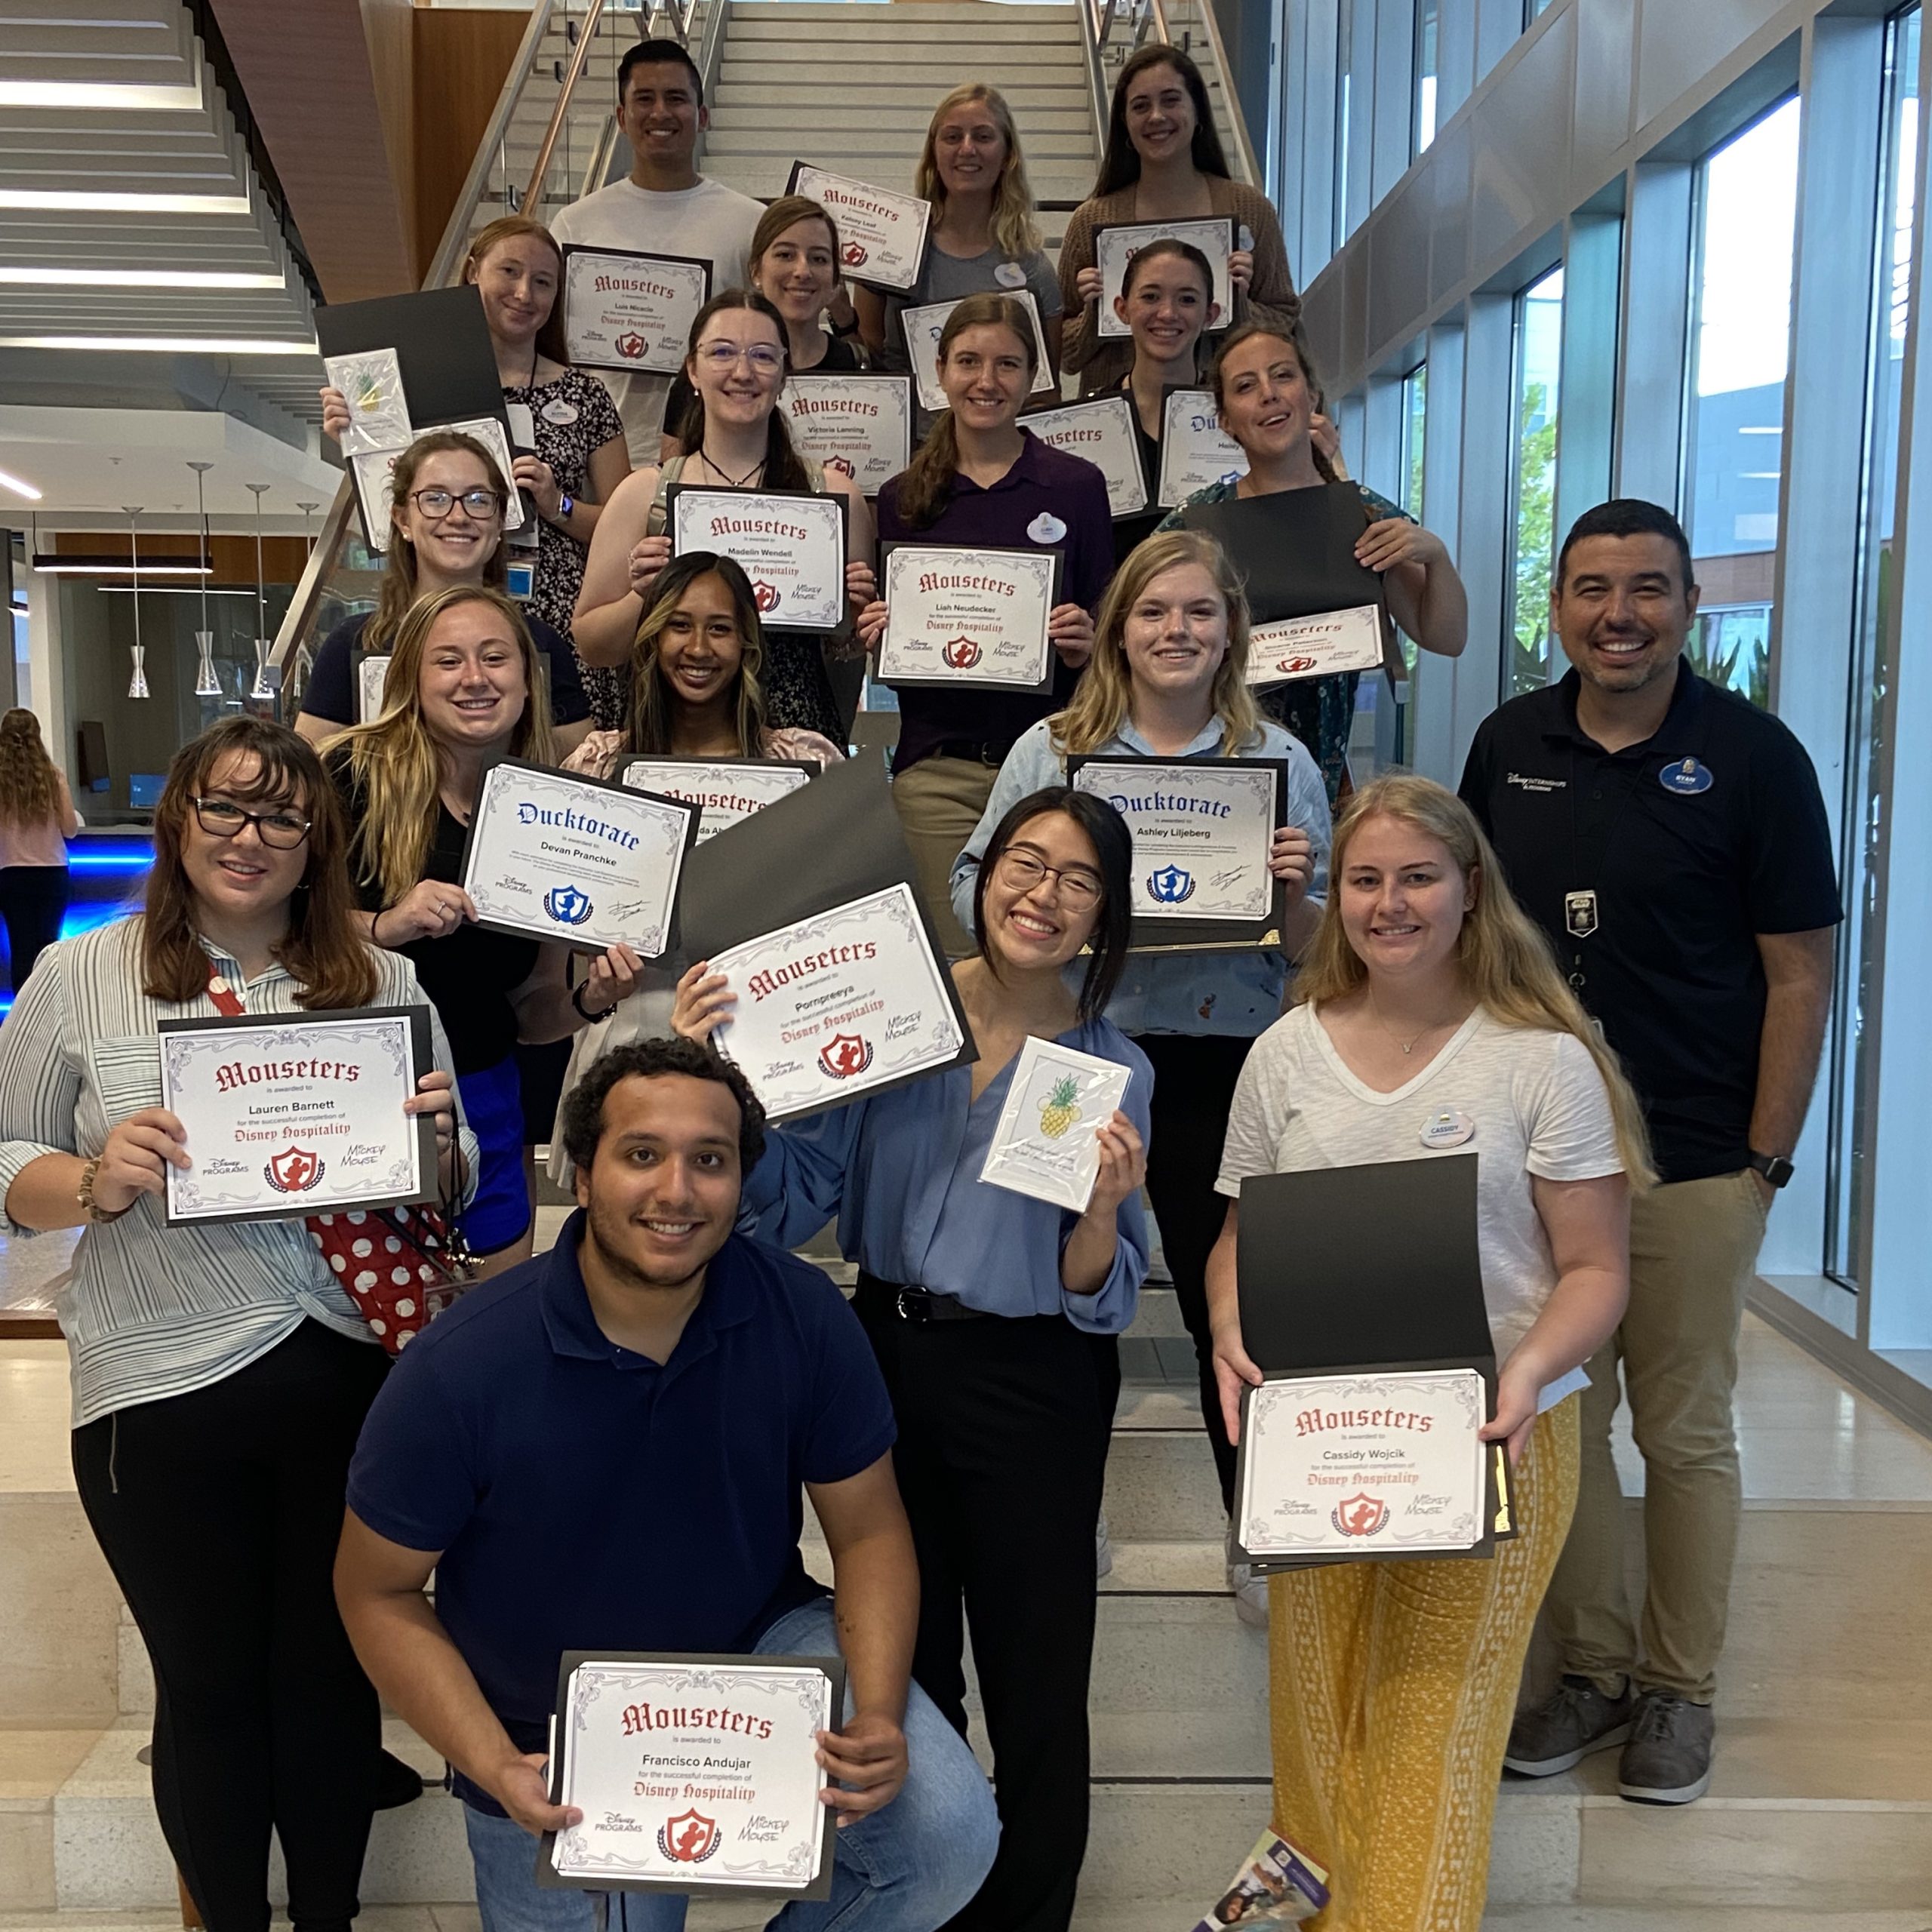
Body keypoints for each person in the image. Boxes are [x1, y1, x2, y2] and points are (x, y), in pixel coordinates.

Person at [334, 1035, 1001, 1932]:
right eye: (641, 1154)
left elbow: (871, 1530)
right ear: (578, 1170)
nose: (676, 1190)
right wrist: (490, 1761)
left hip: (751, 1648)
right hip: (544, 1721)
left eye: (710, 1160)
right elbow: (374, 1588)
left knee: (946, 1836)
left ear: (740, 1182)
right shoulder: (462, 1365)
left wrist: (876, 1713)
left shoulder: (800, 1312)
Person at [0, 715, 473, 1932]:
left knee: (326, 1682)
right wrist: (93, 1176)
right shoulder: (79, 975)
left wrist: (434, 1148)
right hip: (154, 1389)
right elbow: (2, 1154)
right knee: (208, 1689)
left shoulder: (384, 983)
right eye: (225, 808)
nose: (251, 838)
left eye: (283, 816)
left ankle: (328, 1921)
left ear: (319, 844)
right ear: (180, 822)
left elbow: (456, 1162)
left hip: (350, 1378)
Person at [674, 786, 1152, 1932]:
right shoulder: (896, 1015)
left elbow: (1103, 1289)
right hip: (882, 1357)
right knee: (910, 1665)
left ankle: (1027, 1913)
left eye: (1078, 880)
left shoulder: (1112, 1065)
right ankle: (922, 1896)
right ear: (982, 873)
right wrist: (725, 1076)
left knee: (1040, 1681)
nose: (1044, 895)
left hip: (1035, 1378)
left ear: (1105, 916)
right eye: (1026, 865)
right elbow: (792, 1202)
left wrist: (1097, 1212)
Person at [1207, 773, 1649, 1932]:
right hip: (1322, 1438)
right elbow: (1241, 1238)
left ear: (1469, 892)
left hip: (1494, 1435)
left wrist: (1524, 1369)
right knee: (1316, 1727)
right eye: (1365, 880)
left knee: (1427, 1738)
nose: (1389, 903)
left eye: (1417, 878)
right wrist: (1226, 1326)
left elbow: (1597, 1268)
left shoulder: (1539, 1061)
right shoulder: (1286, 1052)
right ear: (1335, 895)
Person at [1463, 499, 1841, 1807]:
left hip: (1690, 1164)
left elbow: (1802, 976)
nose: (1618, 613)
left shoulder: (1755, 759)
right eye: (1591, 588)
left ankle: (1681, 1690)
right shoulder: (1509, 746)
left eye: (1648, 589)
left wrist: (1763, 1163)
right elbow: (1468, 944)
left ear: (1689, 606)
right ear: (1557, 604)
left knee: (1684, 1435)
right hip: (1536, 1168)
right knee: (1562, 1429)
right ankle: (1595, 1670)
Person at [949, 529, 1329, 1623]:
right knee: (1065, 1286)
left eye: (1200, 613)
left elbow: (1313, 951)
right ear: (1119, 627)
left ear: (1231, 632)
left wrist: (1292, 894)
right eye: (1155, 611)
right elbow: (977, 883)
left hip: (1224, 1061)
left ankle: (1256, 1525)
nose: (1177, 631)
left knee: (1239, 1301)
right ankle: (1068, 1505)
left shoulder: (1282, 762)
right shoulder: (1056, 749)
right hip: (1078, 1053)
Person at [325, 586, 644, 1278]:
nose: (475, 678)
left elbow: (529, 1011)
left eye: (495, 658)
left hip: (487, 1090)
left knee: (492, 1319)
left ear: (527, 681)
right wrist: (385, 925)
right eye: (449, 661)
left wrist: (593, 998)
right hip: (353, 1094)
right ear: (411, 676)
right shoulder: (347, 777)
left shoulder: (545, 811)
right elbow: (276, 934)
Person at [547, 551, 843, 1176]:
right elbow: (555, 928)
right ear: (652, 638)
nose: (698, 647)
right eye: (679, 625)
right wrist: (594, 985)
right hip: (632, 1024)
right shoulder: (601, 765)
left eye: (720, 627)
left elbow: (849, 907)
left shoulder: (803, 764)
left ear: (748, 645)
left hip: (761, 1028)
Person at [856, 294, 1112, 955]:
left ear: (1034, 376)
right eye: (968, 361)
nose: (986, 381)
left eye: (1007, 364)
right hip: (937, 770)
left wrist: (1086, 644)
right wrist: (883, 632)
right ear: (939, 370)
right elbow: (901, 650)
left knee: (1042, 958)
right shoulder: (903, 499)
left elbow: (1110, 635)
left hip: (1051, 768)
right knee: (963, 963)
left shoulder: (1076, 486)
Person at [321, 218, 632, 729]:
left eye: (542, 281)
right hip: (437, 608)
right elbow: (394, 510)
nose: (523, 292)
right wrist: (357, 437)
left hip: (557, 615)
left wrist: (561, 506)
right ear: (472, 274)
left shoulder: (586, 396)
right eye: (508, 272)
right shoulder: (415, 389)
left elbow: (624, 525)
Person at [1158, 323, 1467, 803]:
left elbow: (1446, 637)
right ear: (1224, 419)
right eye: (1245, 386)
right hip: (1209, 777)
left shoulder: (1362, 515)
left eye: (1282, 376)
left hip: (1319, 784)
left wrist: (1438, 557)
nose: (1268, 395)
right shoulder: (1196, 524)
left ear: (1312, 395)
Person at [574, 289, 877, 744]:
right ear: (693, 370)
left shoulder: (834, 497)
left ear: (783, 375)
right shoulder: (643, 496)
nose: (743, 371)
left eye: (763, 356)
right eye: (722, 353)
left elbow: (846, 662)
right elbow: (592, 647)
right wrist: (644, 596)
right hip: (670, 744)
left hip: (795, 745)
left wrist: (850, 627)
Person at [294, 431, 592, 755]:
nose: (458, 516)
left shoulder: (542, 644)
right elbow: (311, 775)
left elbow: (572, 777)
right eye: (435, 498)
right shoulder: (352, 644)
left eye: (478, 499)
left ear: (500, 522)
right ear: (403, 520)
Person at [549, 39, 765, 460]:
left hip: (709, 454)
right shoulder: (575, 224)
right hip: (595, 454)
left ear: (702, 116)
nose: (661, 112)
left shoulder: (749, 223)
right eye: (644, 99)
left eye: (677, 99)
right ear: (621, 118)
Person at [1058, 46, 1300, 398]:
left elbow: (1285, 327)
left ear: (1198, 111)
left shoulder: (1250, 209)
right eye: (1140, 106)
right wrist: (1096, 314)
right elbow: (1063, 355)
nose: (1156, 116)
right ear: (1124, 122)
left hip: (1226, 419)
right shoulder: (1091, 221)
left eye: (1171, 101)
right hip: (1118, 421)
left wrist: (1241, 303)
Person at [857, 84, 1063, 395]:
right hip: (913, 440)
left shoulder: (1032, 269)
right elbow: (864, 362)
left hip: (997, 439)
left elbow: (1045, 393)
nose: (967, 149)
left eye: (983, 136)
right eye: (953, 137)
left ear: (1008, 155)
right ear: (934, 152)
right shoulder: (892, 250)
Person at [658, 194, 866, 461]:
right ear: (756, 271)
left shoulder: (863, 372)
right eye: (785, 255)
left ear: (836, 276)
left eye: (819, 259)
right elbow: (672, 486)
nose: (803, 271)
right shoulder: (710, 373)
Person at [1103, 237, 1223, 562]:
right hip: (1112, 610)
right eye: (1151, 297)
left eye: (1187, 299)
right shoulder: (1090, 425)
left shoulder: (1239, 421)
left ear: (1210, 314)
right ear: (1122, 309)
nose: (1167, 313)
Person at [0, 707, 78, 992]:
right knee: (48, 951)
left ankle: (21, 1022)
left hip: (11, 874)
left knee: (21, 949)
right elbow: (70, 829)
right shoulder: (53, 777)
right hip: (52, 873)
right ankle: (47, 1017)